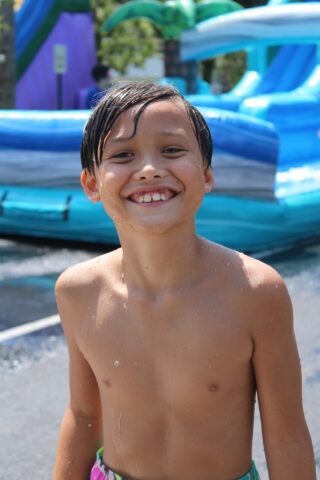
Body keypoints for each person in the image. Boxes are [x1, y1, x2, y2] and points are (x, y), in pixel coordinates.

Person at [54, 82, 316, 480]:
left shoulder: (255, 292)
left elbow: (287, 437)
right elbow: (84, 414)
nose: (150, 169)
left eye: (172, 150)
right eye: (123, 155)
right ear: (92, 184)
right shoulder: (79, 292)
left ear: (207, 175)